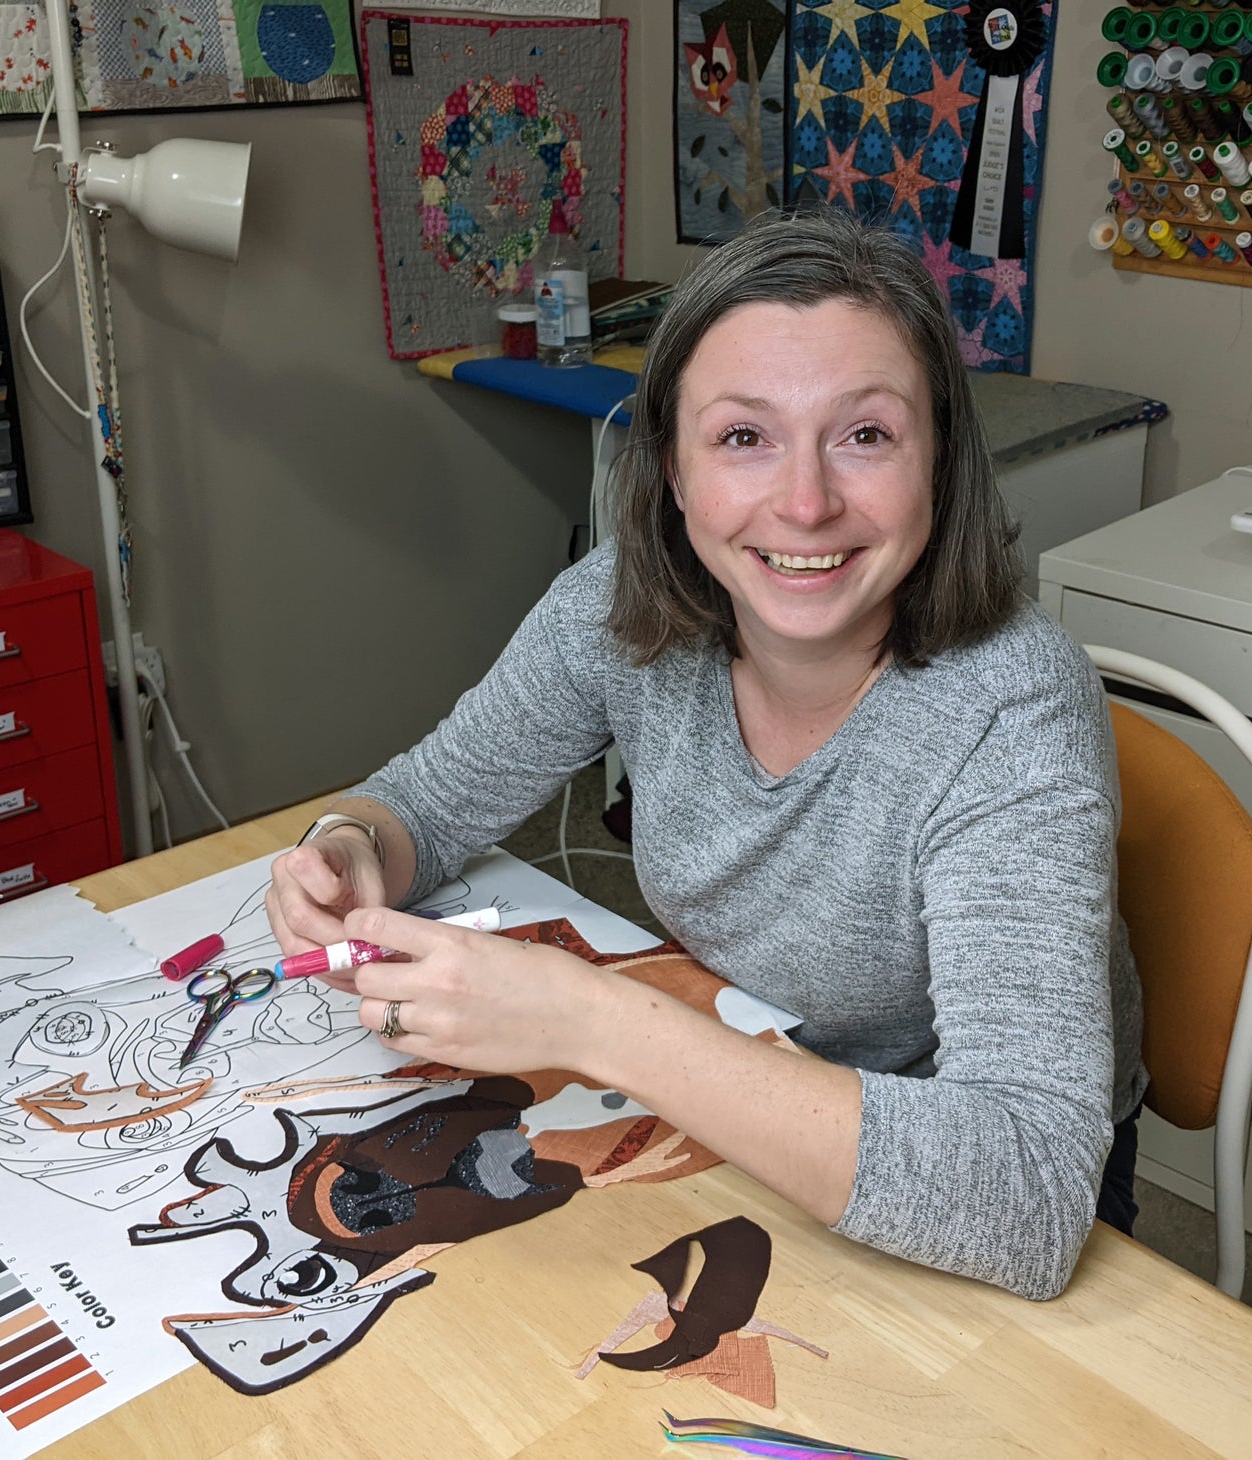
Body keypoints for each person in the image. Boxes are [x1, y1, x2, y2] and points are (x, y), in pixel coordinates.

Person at [264, 208, 1147, 1301]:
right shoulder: (616, 608)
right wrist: (351, 843)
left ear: (940, 462)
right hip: (736, 1083)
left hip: (959, 1187)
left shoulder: (1009, 708)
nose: (806, 500)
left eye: (864, 434)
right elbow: (428, 801)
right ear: (672, 472)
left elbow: (1024, 1187)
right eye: (742, 437)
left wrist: (589, 1018)